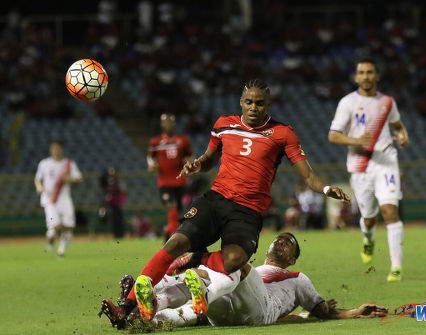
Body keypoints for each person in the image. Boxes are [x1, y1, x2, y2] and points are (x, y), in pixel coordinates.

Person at [120, 78, 351, 321]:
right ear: (241, 103)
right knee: (176, 242)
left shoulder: (283, 133)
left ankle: (198, 259)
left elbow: (308, 176)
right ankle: (129, 303)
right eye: (249, 102)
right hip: (216, 199)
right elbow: (208, 159)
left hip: (248, 210)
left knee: (235, 259)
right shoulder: (223, 125)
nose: (254, 107)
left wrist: (325, 189)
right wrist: (197, 165)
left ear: (268, 105)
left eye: (260, 103)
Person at [99, 233, 387, 329]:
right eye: (279, 239)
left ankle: (157, 284)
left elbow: (322, 311)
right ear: (268, 247)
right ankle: (140, 316)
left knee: (235, 267)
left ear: (293, 259)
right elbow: (298, 317)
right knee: (215, 280)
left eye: (288, 243)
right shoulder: (258, 270)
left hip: (260, 309)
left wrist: (353, 312)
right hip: (227, 312)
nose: (281, 242)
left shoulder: (299, 278)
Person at [328, 57, 410, 282]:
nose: (366, 76)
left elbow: (397, 126)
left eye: (370, 72)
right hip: (360, 167)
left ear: (377, 76)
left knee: (390, 213)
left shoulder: (388, 102)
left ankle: (396, 267)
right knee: (369, 217)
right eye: (362, 72)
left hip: (386, 163)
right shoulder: (347, 103)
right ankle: (368, 239)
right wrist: (356, 140)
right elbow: (333, 135)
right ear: (356, 77)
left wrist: (403, 137)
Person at [147, 113, 193, 242]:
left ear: (174, 124)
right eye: (165, 122)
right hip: (164, 182)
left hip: (180, 181)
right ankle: (174, 239)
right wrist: (152, 166)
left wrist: (188, 162)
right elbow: (150, 157)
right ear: (161, 125)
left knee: (177, 212)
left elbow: (190, 156)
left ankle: (168, 230)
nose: (167, 125)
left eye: (170, 122)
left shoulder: (183, 140)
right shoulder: (155, 142)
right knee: (171, 206)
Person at [34, 141, 82, 257]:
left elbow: (79, 179)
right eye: (53, 148)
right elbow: (37, 178)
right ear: (51, 150)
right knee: (56, 226)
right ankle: (51, 235)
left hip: (64, 199)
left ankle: (61, 251)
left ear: (61, 149)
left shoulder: (68, 164)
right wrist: (39, 187)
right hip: (50, 200)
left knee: (68, 227)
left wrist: (68, 179)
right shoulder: (44, 164)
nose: (55, 150)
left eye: (57, 148)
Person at [99, 166, 127, 238]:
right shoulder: (110, 181)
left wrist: (114, 189)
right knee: (114, 219)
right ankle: (116, 234)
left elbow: (122, 190)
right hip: (112, 203)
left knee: (119, 219)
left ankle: (120, 234)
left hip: (118, 202)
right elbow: (105, 188)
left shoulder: (118, 181)